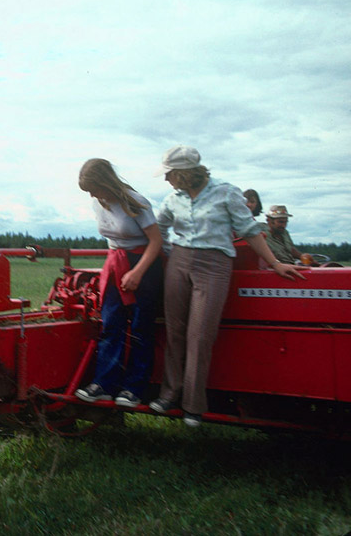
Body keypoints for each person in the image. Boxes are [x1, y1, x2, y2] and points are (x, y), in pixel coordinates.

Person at [149, 146, 304, 427]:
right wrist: (168, 256)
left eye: (169, 174)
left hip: (214, 264)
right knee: (175, 330)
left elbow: (249, 230)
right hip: (179, 262)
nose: (166, 179)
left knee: (200, 335)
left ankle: (193, 406)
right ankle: (168, 394)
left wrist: (275, 263)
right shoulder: (173, 198)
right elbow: (159, 228)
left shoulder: (226, 192)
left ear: (184, 173)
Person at [74, 159, 163, 408]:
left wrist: (137, 272)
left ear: (105, 182)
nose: (91, 194)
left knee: (140, 327)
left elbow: (155, 241)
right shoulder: (98, 203)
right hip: (116, 264)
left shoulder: (136, 202)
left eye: (93, 188)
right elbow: (112, 238)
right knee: (111, 323)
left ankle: (134, 389)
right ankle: (104, 384)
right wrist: (114, 269)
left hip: (143, 263)